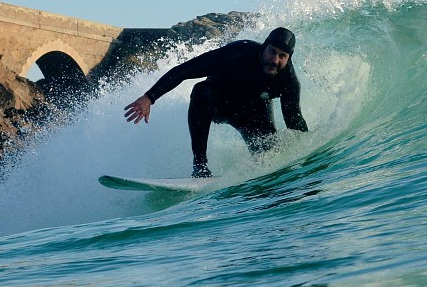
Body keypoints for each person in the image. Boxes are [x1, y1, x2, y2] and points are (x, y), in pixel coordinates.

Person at [124, 27, 308, 177]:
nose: (275, 60)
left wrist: (309, 155)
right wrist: (150, 97)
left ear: (289, 58)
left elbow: (295, 122)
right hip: (219, 103)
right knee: (201, 91)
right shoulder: (238, 53)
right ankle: (200, 167)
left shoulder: (288, 82)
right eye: (272, 52)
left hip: (252, 114)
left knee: (268, 153)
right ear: (264, 47)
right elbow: (185, 70)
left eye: (282, 56)